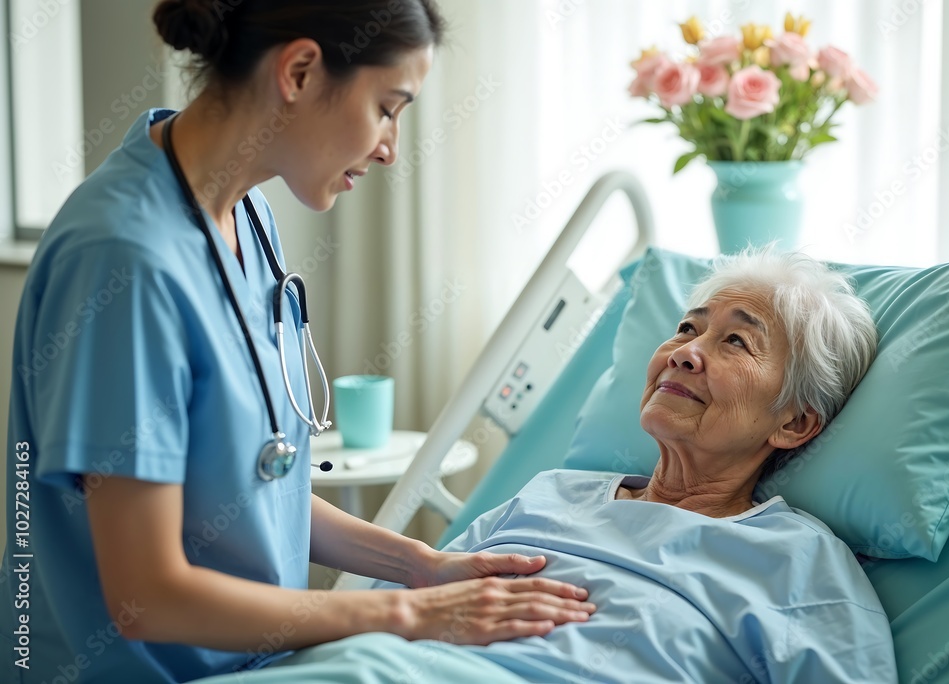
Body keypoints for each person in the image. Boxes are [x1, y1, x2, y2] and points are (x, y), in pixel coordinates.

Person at [0, 2, 594, 683]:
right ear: (301, 71)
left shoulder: (246, 216)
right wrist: (404, 614)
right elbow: (147, 596)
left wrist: (421, 568)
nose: (391, 147)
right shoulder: (125, 262)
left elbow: (257, 488)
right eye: (388, 107)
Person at [278, 249, 893, 683]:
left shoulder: (797, 561)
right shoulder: (549, 494)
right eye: (686, 329)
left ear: (794, 423)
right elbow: (387, 609)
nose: (685, 355)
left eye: (735, 341)